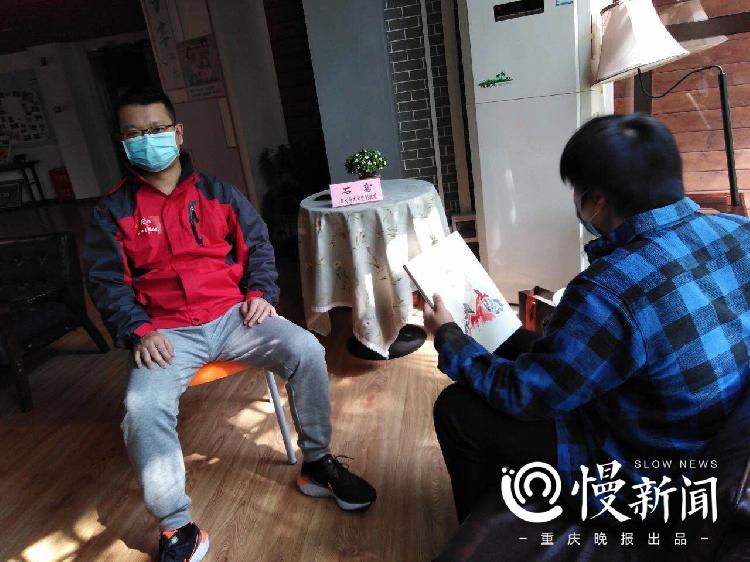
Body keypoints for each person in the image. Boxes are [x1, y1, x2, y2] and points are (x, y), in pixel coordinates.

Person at [84, 87, 375, 562]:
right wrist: (138, 330)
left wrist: (260, 292)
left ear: (178, 133)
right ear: (122, 143)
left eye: (156, 129)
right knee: (142, 405)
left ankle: (317, 464)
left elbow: (258, 246)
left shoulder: (219, 194)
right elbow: (107, 281)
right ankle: (176, 526)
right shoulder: (112, 211)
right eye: (134, 134)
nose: (147, 140)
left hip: (234, 316)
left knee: (307, 349)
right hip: (165, 334)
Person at [423, 113, 750, 524]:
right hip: (706, 432)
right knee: (514, 343)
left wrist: (448, 337)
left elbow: (524, 396)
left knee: (456, 409)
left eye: (576, 191)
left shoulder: (608, 289)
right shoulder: (739, 230)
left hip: (650, 473)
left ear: (596, 202)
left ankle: (479, 529)